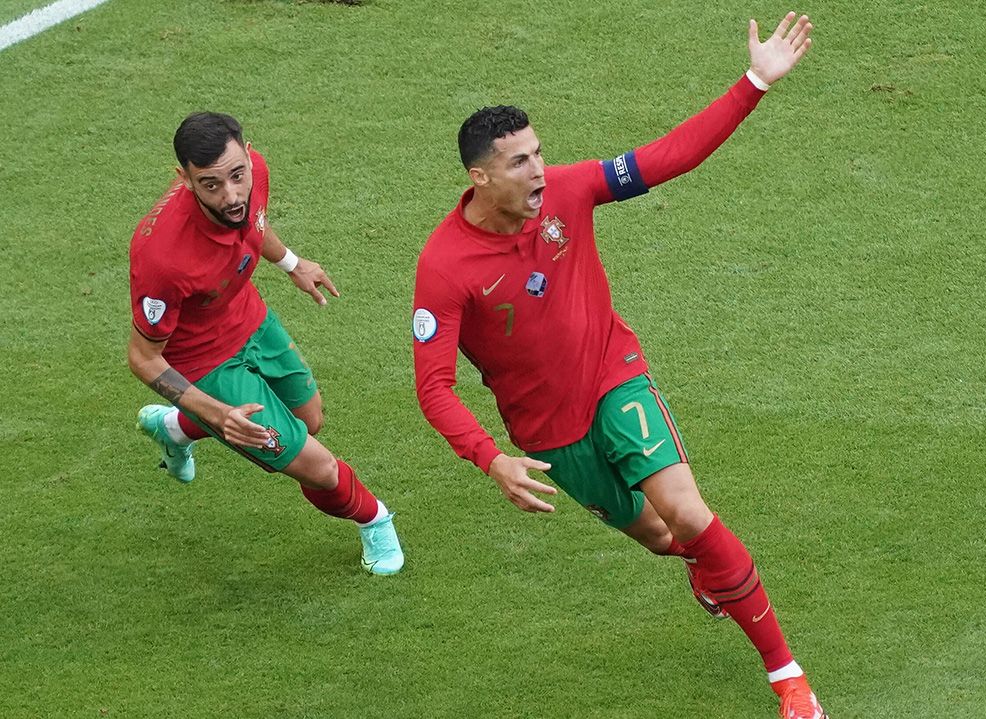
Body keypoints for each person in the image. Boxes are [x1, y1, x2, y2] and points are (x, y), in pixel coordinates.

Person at [412, 13, 822, 717]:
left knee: (688, 511)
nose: (539, 169)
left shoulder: (570, 190)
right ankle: (704, 570)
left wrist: (755, 81)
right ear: (479, 177)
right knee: (665, 537)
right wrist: (492, 459)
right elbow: (434, 388)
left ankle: (790, 681)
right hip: (548, 432)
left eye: (539, 153)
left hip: (613, 373)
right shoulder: (444, 267)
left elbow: (668, 157)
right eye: (518, 162)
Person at [128, 112, 404, 575]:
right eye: (211, 185)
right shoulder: (162, 258)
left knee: (308, 420)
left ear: (247, 153)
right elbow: (142, 357)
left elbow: (252, 223)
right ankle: (376, 520)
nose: (231, 194)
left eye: (237, 175)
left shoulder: (254, 173)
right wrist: (218, 411)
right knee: (316, 466)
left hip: (249, 319)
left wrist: (292, 262)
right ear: (184, 179)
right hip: (204, 361)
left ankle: (176, 428)